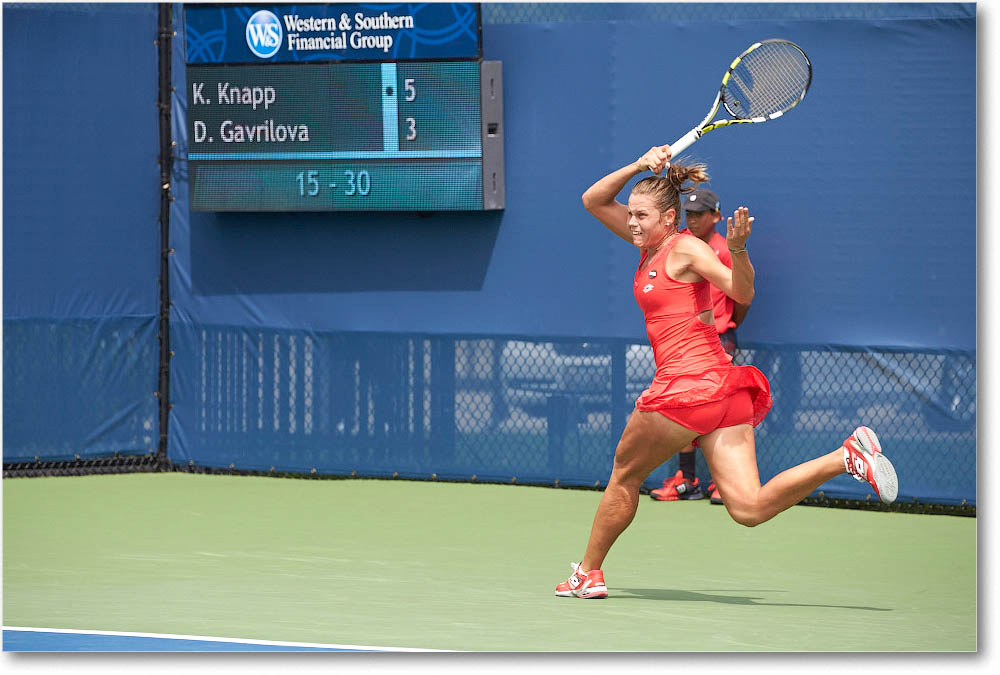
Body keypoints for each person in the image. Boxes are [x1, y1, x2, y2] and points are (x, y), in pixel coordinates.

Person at [555, 144, 897, 599]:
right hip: (722, 391)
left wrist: (738, 251)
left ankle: (588, 573)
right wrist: (639, 164)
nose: (632, 222)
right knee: (749, 508)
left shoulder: (685, 249)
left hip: (685, 388)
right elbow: (593, 200)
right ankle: (846, 456)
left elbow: (740, 290)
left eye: (641, 215)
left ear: (668, 219)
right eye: (631, 214)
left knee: (624, 475)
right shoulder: (649, 245)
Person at [650, 188, 748, 505]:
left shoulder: (723, 250)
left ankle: (723, 481)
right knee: (682, 406)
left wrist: (728, 324)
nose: (692, 220)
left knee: (718, 410)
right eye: (689, 214)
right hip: (685, 345)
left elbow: (742, 296)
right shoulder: (679, 246)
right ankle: (687, 479)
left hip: (718, 340)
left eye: (699, 214)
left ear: (716, 216)